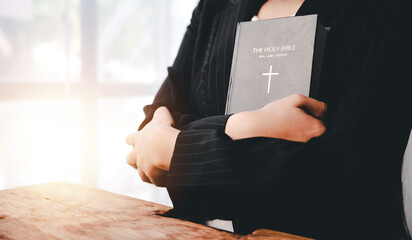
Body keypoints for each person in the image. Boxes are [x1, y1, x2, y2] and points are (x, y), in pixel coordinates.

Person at [126, 0, 411, 239]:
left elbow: (341, 171)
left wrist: (179, 151)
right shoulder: (215, 5)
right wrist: (243, 125)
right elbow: (154, 126)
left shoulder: (386, 9)